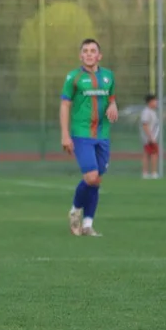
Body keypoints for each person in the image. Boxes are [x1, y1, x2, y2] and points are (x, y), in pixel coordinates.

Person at [60, 38, 118, 237]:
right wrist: (65, 134)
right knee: (91, 177)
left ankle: (87, 224)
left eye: (93, 51)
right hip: (82, 133)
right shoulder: (73, 77)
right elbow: (65, 105)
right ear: (80, 55)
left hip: (103, 134)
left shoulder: (109, 76)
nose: (89, 54)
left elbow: (111, 98)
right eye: (85, 51)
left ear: (99, 55)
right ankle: (76, 209)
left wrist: (113, 105)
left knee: (96, 180)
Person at [140, 93, 160, 178]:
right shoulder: (146, 112)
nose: (156, 103)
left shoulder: (153, 112)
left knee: (151, 154)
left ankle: (150, 173)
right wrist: (150, 137)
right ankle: (151, 173)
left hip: (153, 137)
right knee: (151, 154)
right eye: (155, 101)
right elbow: (145, 125)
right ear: (150, 102)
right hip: (149, 138)